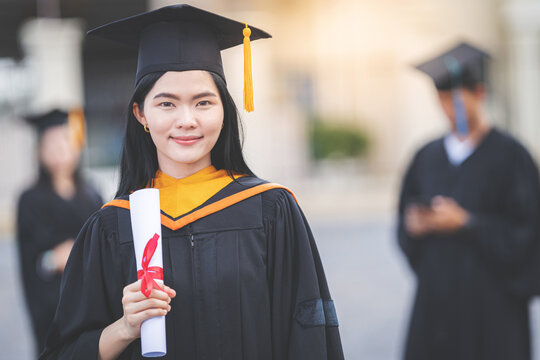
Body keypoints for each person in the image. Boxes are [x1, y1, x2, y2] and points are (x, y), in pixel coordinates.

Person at [40, 5, 344, 360]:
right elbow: (63, 352)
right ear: (141, 114)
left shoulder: (271, 210)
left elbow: (310, 336)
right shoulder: (111, 226)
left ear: (224, 110)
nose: (187, 120)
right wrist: (124, 328)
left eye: (203, 102)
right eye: (167, 104)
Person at [397, 42, 540, 360]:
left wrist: (467, 223)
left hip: (495, 309)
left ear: (479, 94)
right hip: (436, 304)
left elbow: (529, 233)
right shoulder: (426, 156)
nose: (450, 109)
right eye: (443, 99)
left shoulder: (511, 155)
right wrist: (414, 225)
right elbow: (404, 223)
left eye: (457, 99)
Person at [17, 108, 103, 355]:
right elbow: (29, 261)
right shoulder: (30, 200)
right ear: (39, 152)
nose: (59, 149)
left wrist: (74, 254)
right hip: (51, 306)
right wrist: (52, 259)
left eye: (65, 140)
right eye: (50, 144)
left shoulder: (92, 194)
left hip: (90, 302)